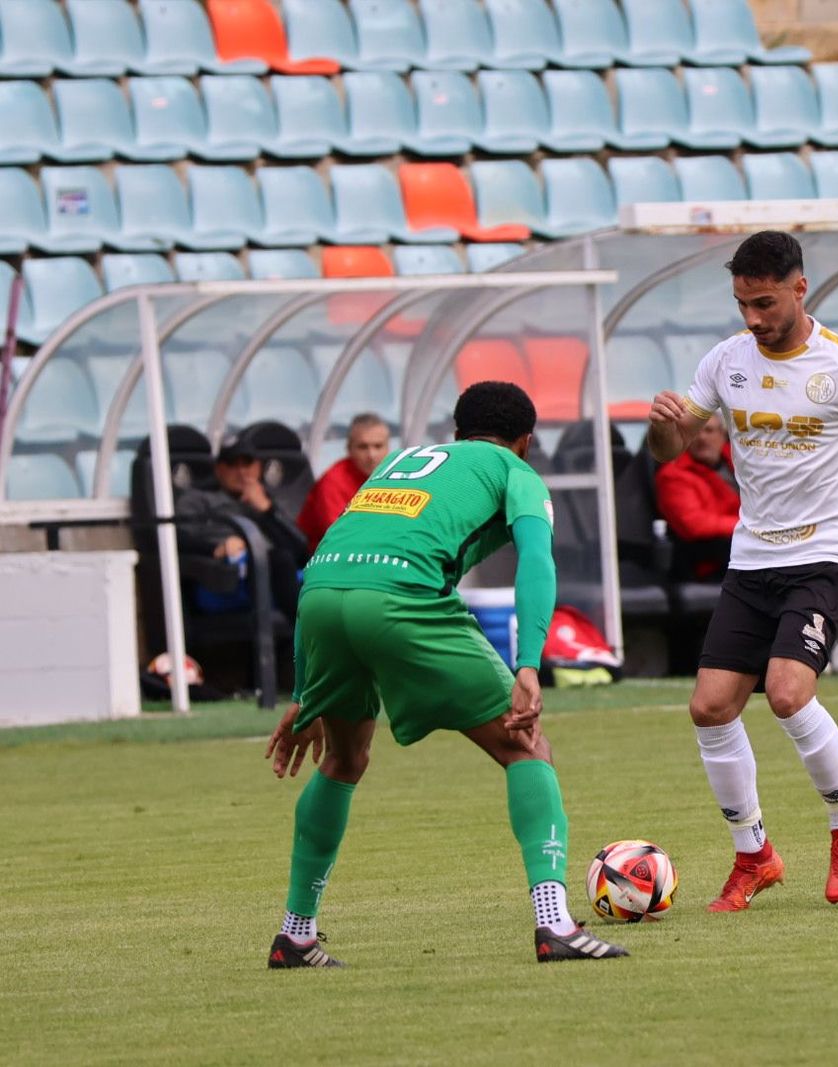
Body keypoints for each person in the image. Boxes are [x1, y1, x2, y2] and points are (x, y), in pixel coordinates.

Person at [261, 381, 628, 968]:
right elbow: (537, 560)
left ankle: (295, 934)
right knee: (526, 746)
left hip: (321, 597)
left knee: (344, 759)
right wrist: (528, 664)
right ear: (526, 441)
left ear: (457, 433)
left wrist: (305, 693)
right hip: (401, 597)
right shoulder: (515, 470)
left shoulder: (401, 462)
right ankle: (554, 923)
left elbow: (333, 553)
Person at [646, 230, 838, 912]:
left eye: (764, 303)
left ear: (800, 289)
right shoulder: (725, 360)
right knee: (710, 707)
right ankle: (754, 856)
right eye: (742, 303)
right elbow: (669, 449)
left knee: (787, 693)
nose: (752, 318)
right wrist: (663, 424)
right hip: (753, 558)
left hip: (825, 554)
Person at [175, 433, 309, 619]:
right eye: (232, 465)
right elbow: (176, 537)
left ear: (258, 468)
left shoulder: (265, 501)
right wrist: (216, 548)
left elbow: (301, 549)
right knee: (280, 560)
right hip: (221, 578)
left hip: (273, 575)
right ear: (219, 470)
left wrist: (266, 509)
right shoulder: (198, 499)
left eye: (247, 464)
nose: (241, 472)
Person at [655, 413, 741, 580]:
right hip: (710, 561)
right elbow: (695, 525)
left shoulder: (740, 461)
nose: (702, 437)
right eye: (695, 432)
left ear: (722, 435)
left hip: (747, 547)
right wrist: (749, 526)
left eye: (709, 430)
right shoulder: (673, 475)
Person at [296, 414, 391, 552]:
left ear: (388, 448)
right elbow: (341, 538)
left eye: (378, 446)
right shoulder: (333, 482)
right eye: (363, 447)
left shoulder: (395, 477)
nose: (371, 455)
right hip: (328, 555)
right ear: (349, 448)